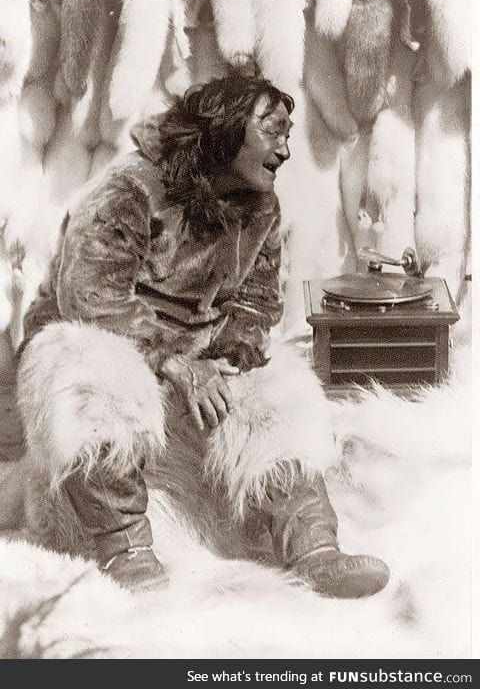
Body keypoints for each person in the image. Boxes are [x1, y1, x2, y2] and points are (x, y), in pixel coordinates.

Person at [17, 73, 390, 597]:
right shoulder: (129, 189)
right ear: (224, 132)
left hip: (196, 353)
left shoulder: (260, 206)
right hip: (104, 335)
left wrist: (231, 357)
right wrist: (173, 362)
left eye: (288, 133)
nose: (285, 150)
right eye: (273, 132)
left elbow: (258, 300)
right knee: (84, 374)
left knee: (277, 387)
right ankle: (127, 550)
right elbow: (90, 295)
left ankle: (314, 548)